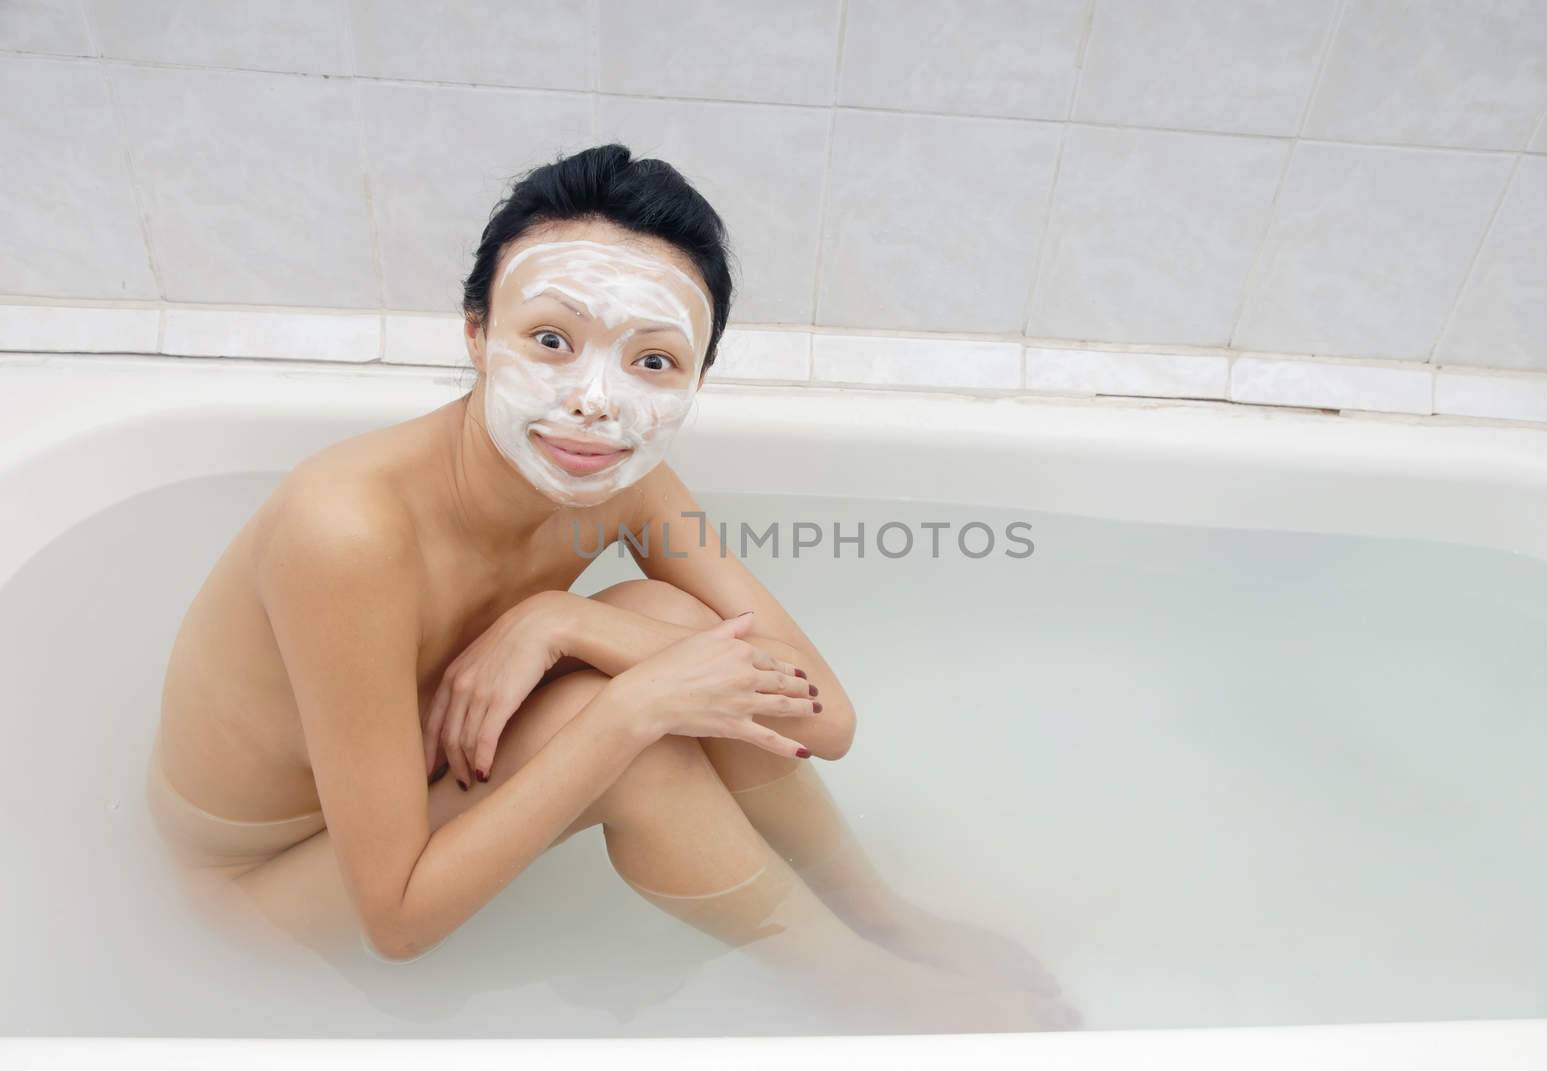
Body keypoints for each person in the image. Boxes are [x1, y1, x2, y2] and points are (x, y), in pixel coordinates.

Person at [147, 144, 1067, 1031]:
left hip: (421, 785)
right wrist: (630, 711)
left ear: (697, 378)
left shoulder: (619, 473)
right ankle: (859, 984)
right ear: (475, 333)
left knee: (662, 620)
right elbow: (394, 920)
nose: (597, 398)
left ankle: (882, 917)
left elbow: (824, 722)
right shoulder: (346, 533)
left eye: (653, 361)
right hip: (263, 894)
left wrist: (562, 619)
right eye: (551, 339)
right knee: (640, 709)